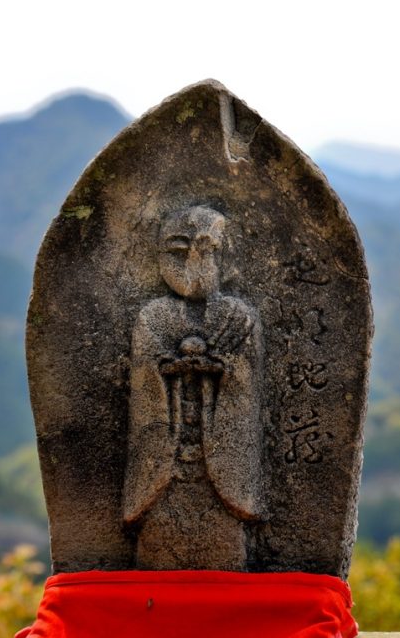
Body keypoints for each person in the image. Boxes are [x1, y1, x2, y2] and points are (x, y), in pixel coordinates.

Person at [123, 205, 263, 570]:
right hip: (164, 465)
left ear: (228, 256)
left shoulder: (238, 316)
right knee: (157, 553)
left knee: (225, 554)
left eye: (207, 249)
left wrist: (224, 370)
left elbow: (245, 387)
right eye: (178, 251)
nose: (193, 261)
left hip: (220, 469)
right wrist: (165, 370)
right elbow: (145, 380)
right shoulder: (153, 316)